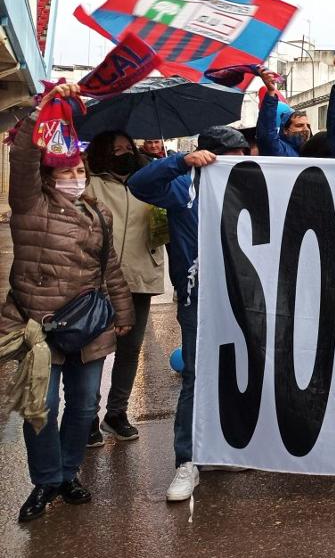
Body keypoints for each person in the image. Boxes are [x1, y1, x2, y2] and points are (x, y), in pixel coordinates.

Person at [1, 83, 135, 523]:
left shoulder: (99, 215)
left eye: (80, 171)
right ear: (49, 174)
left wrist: (123, 313)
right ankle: (44, 482)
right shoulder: (30, 205)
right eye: (66, 171)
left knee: (83, 407)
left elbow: (109, 268)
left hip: (90, 328)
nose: (75, 177)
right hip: (39, 329)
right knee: (42, 406)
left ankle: (67, 473)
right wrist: (44, 108)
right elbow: (22, 159)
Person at [128, 125, 248, 503]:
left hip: (242, 296)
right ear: (209, 158)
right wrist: (180, 161)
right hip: (199, 297)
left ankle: (217, 449)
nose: (243, 162)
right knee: (196, 374)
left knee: (234, 370)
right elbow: (140, 184)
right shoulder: (184, 187)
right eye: (234, 156)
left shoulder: (250, 188)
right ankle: (187, 460)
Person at [84, 131, 165, 444]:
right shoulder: (91, 184)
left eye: (128, 147)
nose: (124, 153)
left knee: (130, 350)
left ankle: (117, 412)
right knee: (95, 349)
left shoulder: (149, 181)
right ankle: (87, 415)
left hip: (142, 275)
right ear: (104, 153)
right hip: (100, 280)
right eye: (116, 149)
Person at [256, 70, 310, 157]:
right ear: (285, 130)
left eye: (308, 125)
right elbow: (267, 134)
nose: (306, 129)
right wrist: (270, 92)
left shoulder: (312, 151)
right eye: (299, 125)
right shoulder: (279, 149)